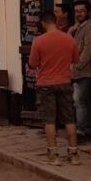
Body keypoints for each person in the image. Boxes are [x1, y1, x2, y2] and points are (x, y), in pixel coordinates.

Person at [29, 11, 81, 165]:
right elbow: (75, 59)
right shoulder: (69, 39)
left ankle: (54, 154)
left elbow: (33, 63)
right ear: (56, 21)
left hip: (46, 83)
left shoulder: (38, 41)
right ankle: (74, 153)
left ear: (44, 23)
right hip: (64, 81)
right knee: (69, 119)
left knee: (49, 121)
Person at [70, 0, 91, 139]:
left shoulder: (88, 27)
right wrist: (72, 29)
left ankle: (82, 130)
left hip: (84, 71)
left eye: (82, 11)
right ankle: (85, 127)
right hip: (76, 72)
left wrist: (78, 65)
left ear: (88, 12)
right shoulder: (78, 27)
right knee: (81, 101)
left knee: (79, 100)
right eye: (77, 11)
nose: (79, 14)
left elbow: (88, 49)